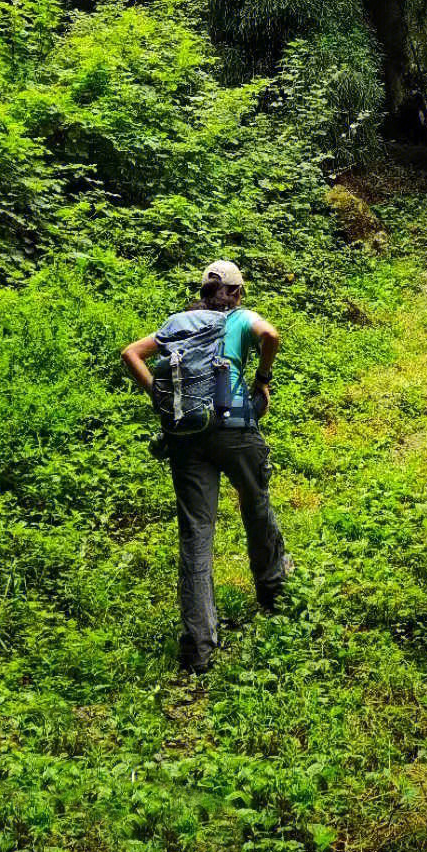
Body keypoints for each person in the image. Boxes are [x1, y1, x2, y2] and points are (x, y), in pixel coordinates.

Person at [121, 260, 289, 674]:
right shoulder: (241, 318)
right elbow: (271, 335)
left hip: (186, 435)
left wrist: (160, 398)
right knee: (255, 503)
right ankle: (274, 592)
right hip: (235, 430)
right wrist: (263, 376)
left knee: (196, 532)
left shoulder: (177, 322)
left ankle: (198, 648)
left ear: (202, 291)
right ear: (234, 293)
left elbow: (131, 353)